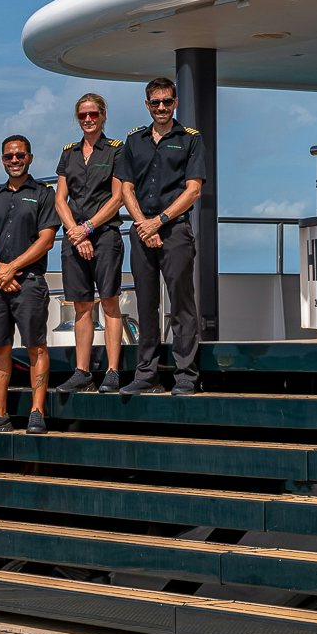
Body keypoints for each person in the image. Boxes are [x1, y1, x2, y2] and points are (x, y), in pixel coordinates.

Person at [118, 77, 207, 396]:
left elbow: (193, 190)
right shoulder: (134, 140)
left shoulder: (190, 140)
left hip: (175, 230)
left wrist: (159, 221)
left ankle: (186, 372)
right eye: (155, 102)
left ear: (176, 103)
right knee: (146, 303)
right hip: (141, 231)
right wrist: (143, 224)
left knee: (182, 302)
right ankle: (146, 372)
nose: (161, 108)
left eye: (167, 102)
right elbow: (125, 188)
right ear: (146, 105)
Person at [0, 134, 59, 435]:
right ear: (2, 159)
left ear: (30, 158)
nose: (15, 161)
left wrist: (12, 269)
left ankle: (37, 411)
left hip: (29, 282)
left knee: (35, 346)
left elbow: (46, 240)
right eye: (9, 156)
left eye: (20, 156)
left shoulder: (43, 194)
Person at [52, 92, 129, 394]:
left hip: (105, 235)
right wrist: (74, 231)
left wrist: (87, 228)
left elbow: (118, 196)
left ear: (103, 115)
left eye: (93, 114)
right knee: (82, 306)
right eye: (83, 115)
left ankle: (112, 371)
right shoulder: (68, 153)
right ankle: (82, 371)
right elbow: (60, 198)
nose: (88, 119)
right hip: (74, 237)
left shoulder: (116, 150)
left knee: (109, 301)